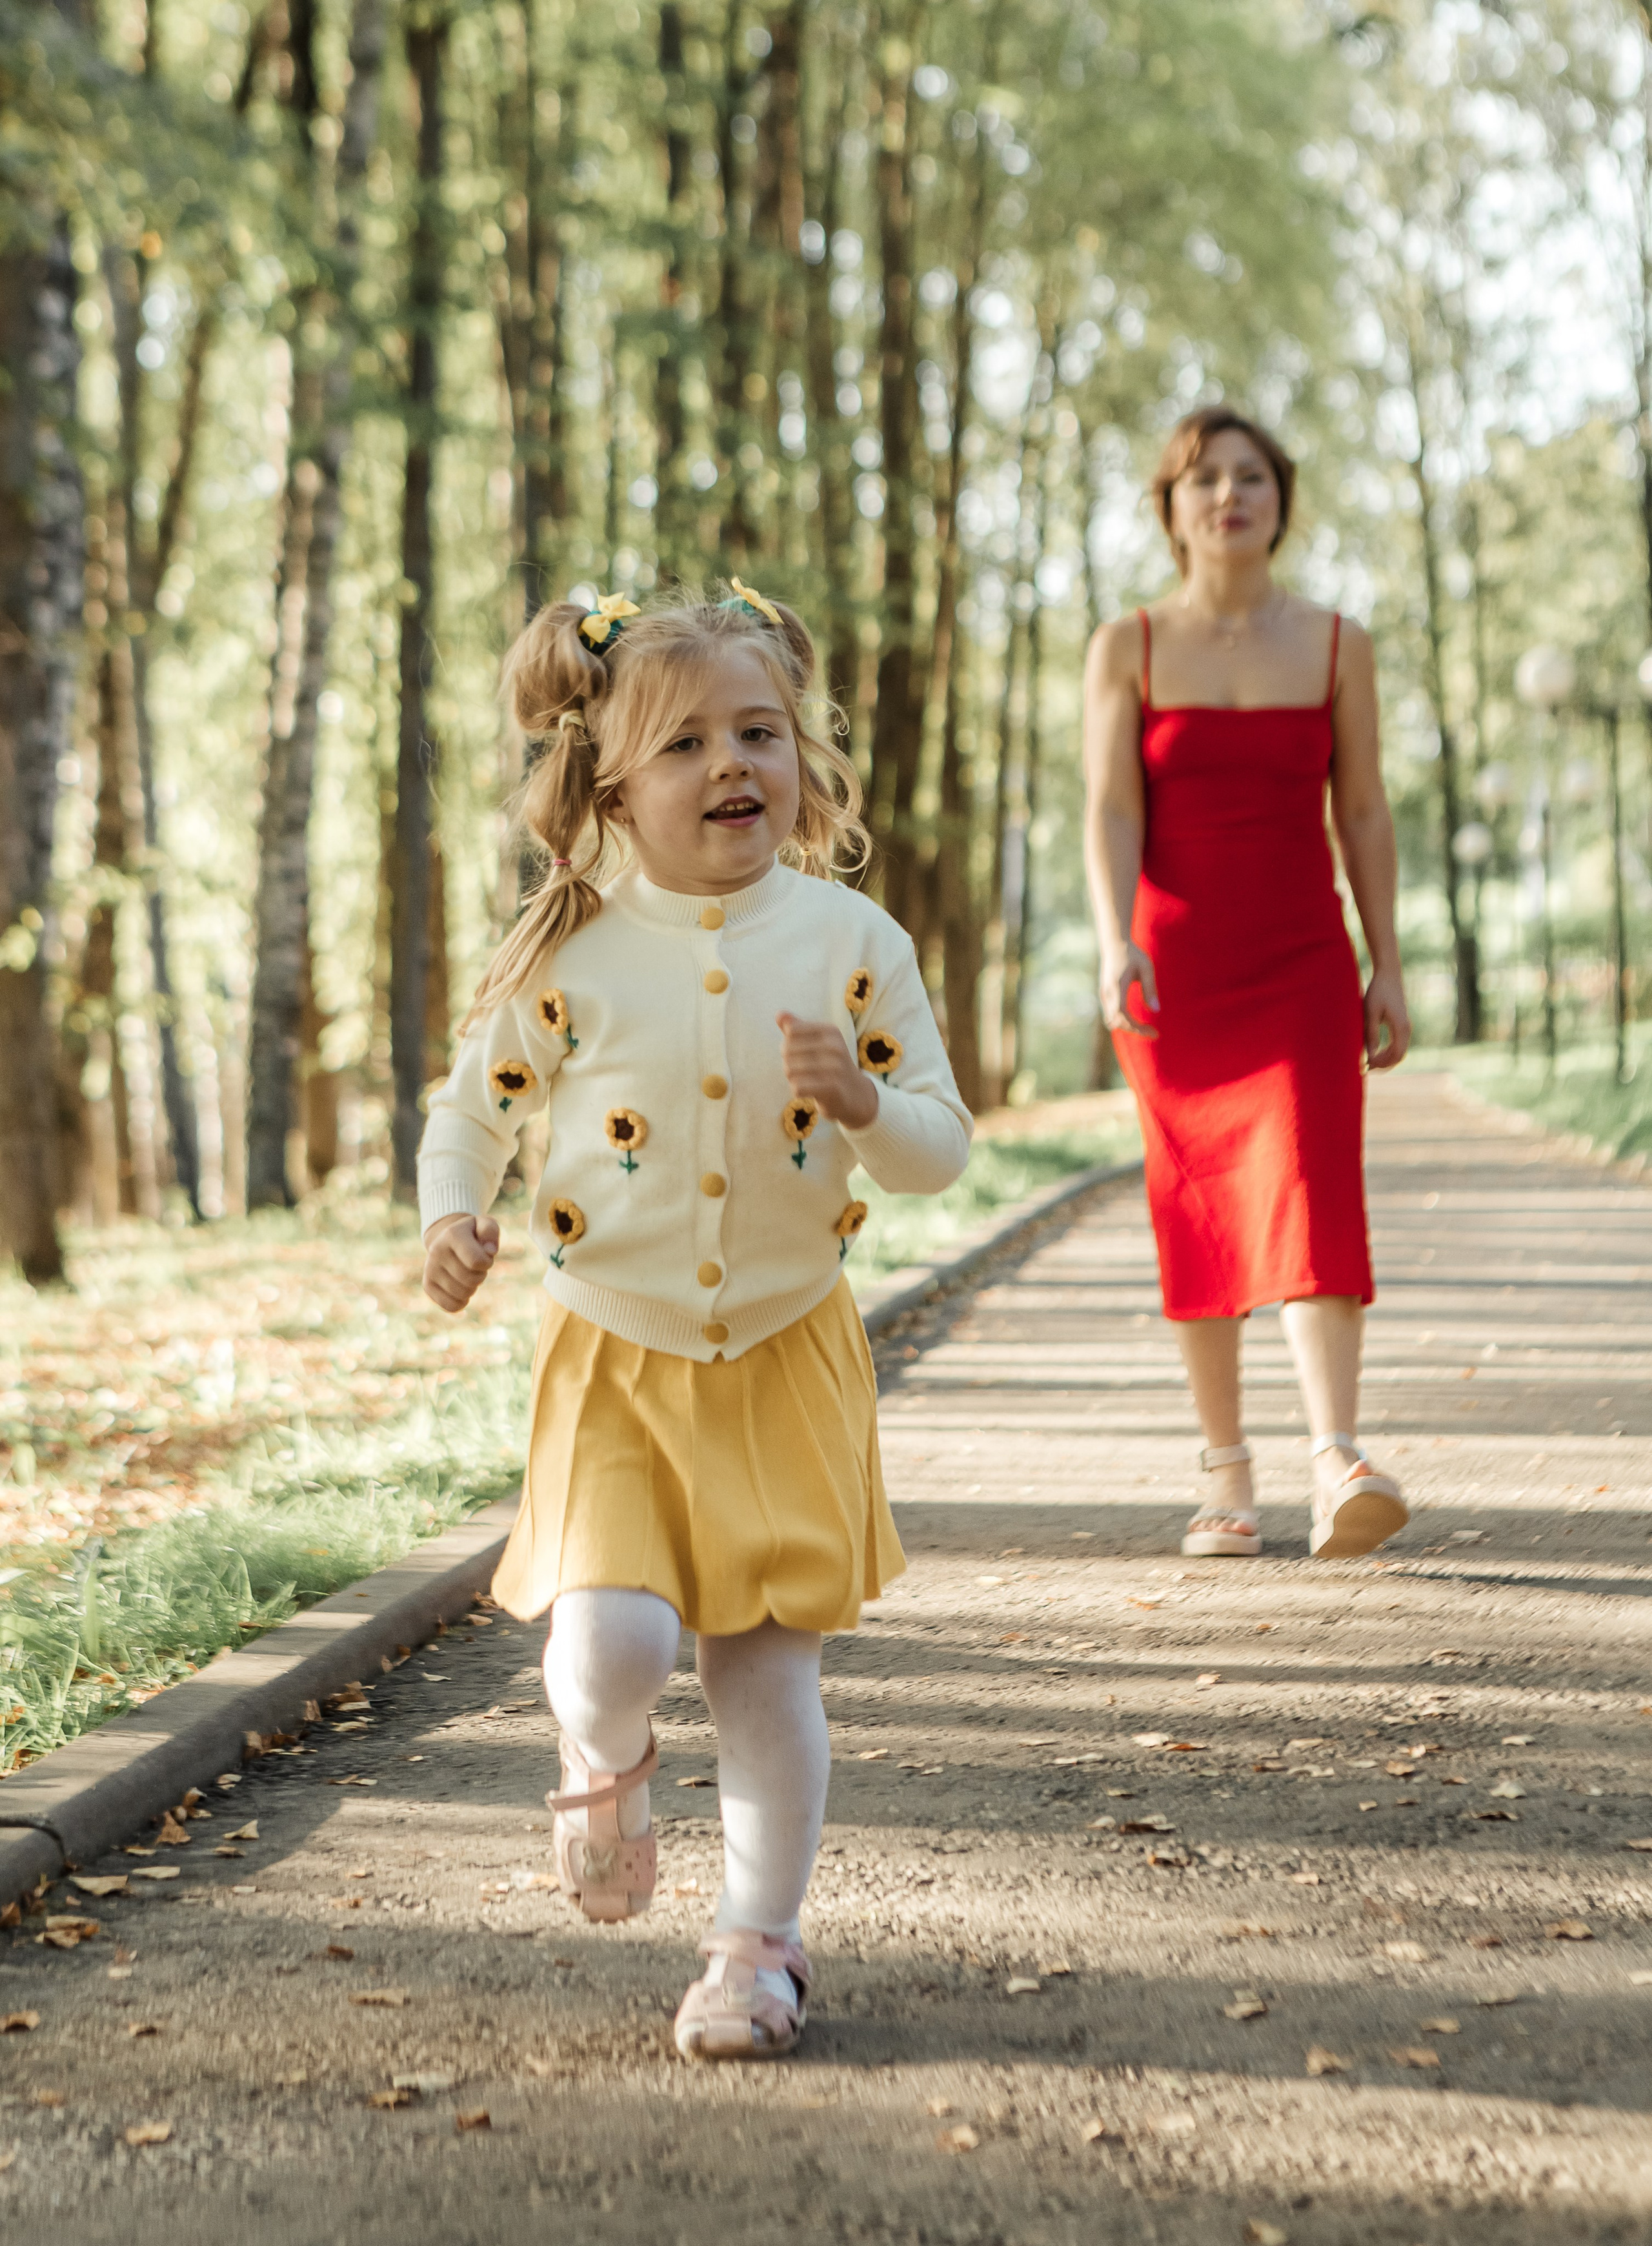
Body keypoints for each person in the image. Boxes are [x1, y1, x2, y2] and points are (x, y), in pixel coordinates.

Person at [416, 585, 971, 2059]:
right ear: (609, 786)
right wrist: (451, 1220)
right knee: (607, 1645)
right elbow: (468, 1118)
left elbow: (938, 1143)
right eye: (686, 745)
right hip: (612, 1352)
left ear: (802, 759)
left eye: (759, 733)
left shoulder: (852, 940)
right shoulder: (571, 957)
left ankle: (754, 1947)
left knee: (764, 1664)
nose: (732, 765)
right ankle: (600, 1758)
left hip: (788, 1350)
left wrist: (863, 1104)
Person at [1082, 407, 1410, 1561]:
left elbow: (1362, 809)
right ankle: (1226, 1469)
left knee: (1315, 1182)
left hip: (1303, 961)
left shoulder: (1336, 644)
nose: (1230, 494)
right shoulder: (1127, 645)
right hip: (1175, 970)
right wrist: (1114, 942)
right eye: (1205, 479)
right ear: (1171, 510)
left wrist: (1388, 963)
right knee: (1202, 1202)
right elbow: (1113, 808)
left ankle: (1337, 1458)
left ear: (1282, 499)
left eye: (1252, 476)